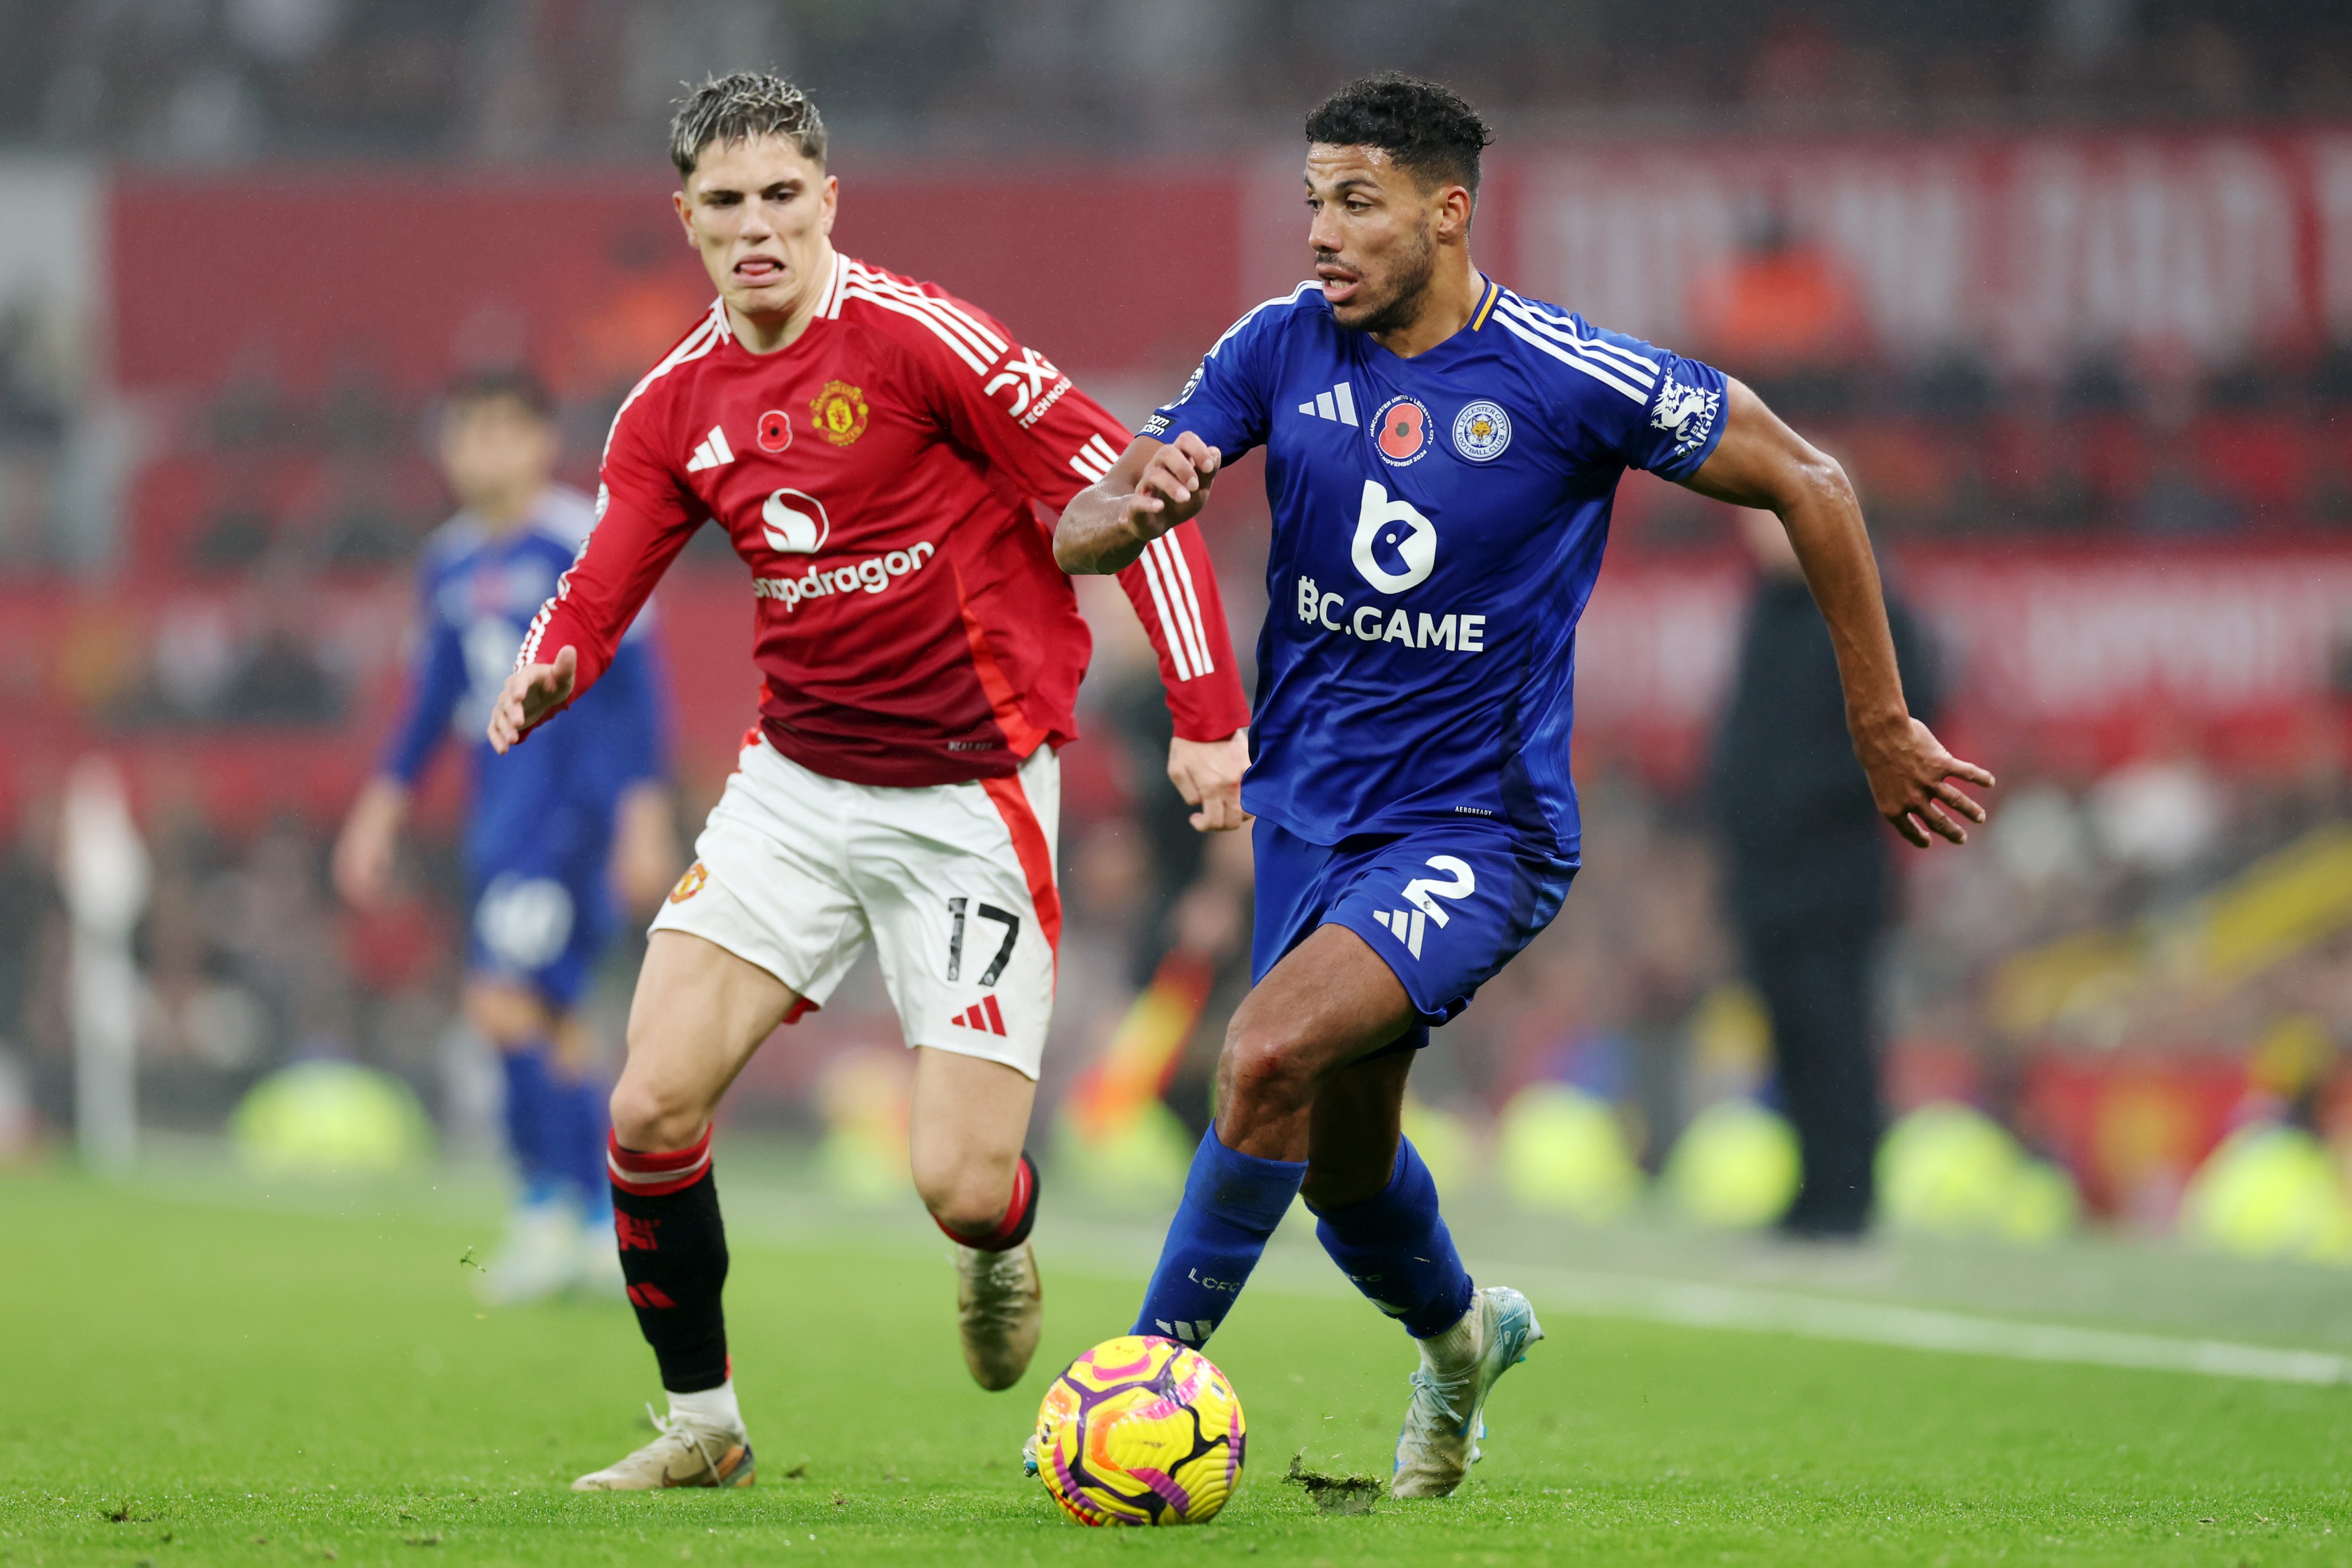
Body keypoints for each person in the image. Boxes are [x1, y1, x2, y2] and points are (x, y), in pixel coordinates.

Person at [1054, 72, 1994, 1500]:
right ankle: (1460, 1342)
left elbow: (1814, 482)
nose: (1321, 233)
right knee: (1338, 1168)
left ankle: (1129, 1393)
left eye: (1356, 203)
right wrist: (1116, 511)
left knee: (1256, 1059)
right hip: (1307, 818)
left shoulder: (1567, 377)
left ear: (1447, 211)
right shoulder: (1271, 347)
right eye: (1311, 201)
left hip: (1471, 831)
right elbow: (1101, 507)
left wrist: (1880, 722)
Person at [484, 72, 1251, 1490]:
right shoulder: (668, 409)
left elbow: (1139, 493)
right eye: (726, 203)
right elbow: (600, 580)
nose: (757, 225)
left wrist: (1204, 715)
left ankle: (999, 1239)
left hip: (968, 800)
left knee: (958, 1188)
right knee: (649, 1109)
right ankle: (702, 1426)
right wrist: (552, 664)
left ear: (828, 199)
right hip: (794, 788)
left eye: (783, 195)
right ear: (688, 221)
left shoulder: (919, 343)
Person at [334, 368, 680, 1303]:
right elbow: (428, 698)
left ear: (538, 439)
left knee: (502, 1004)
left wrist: (644, 815)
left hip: (569, 817)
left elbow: (639, 690)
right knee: (558, 1025)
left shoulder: (585, 542)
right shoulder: (447, 562)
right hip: (500, 820)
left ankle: (552, 1207)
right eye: (464, 432)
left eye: (499, 431)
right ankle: (608, 1223)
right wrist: (381, 804)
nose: (479, 451)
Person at [1710, 510, 1941, 1238]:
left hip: (1834, 868)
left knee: (1835, 1028)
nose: (1756, 531)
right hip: (1766, 872)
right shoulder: (1767, 611)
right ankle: (1813, 1189)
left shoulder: (1873, 607)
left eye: (1771, 513)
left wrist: (1799, 799)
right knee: (1790, 1034)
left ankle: (1849, 1195)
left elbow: (1903, 723)